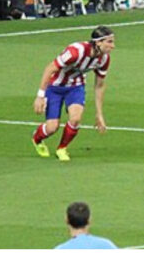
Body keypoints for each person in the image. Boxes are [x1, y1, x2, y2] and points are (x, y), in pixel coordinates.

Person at [32, 26, 115, 162]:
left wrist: (99, 114)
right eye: (109, 42)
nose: (113, 46)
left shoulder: (104, 59)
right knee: (52, 127)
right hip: (55, 87)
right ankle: (37, 138)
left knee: (75, 119)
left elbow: (99, 86)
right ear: (98, 42)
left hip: (75, 87)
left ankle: (62, 148)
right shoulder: (76, 51)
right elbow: (50, 68)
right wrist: (40, 96)